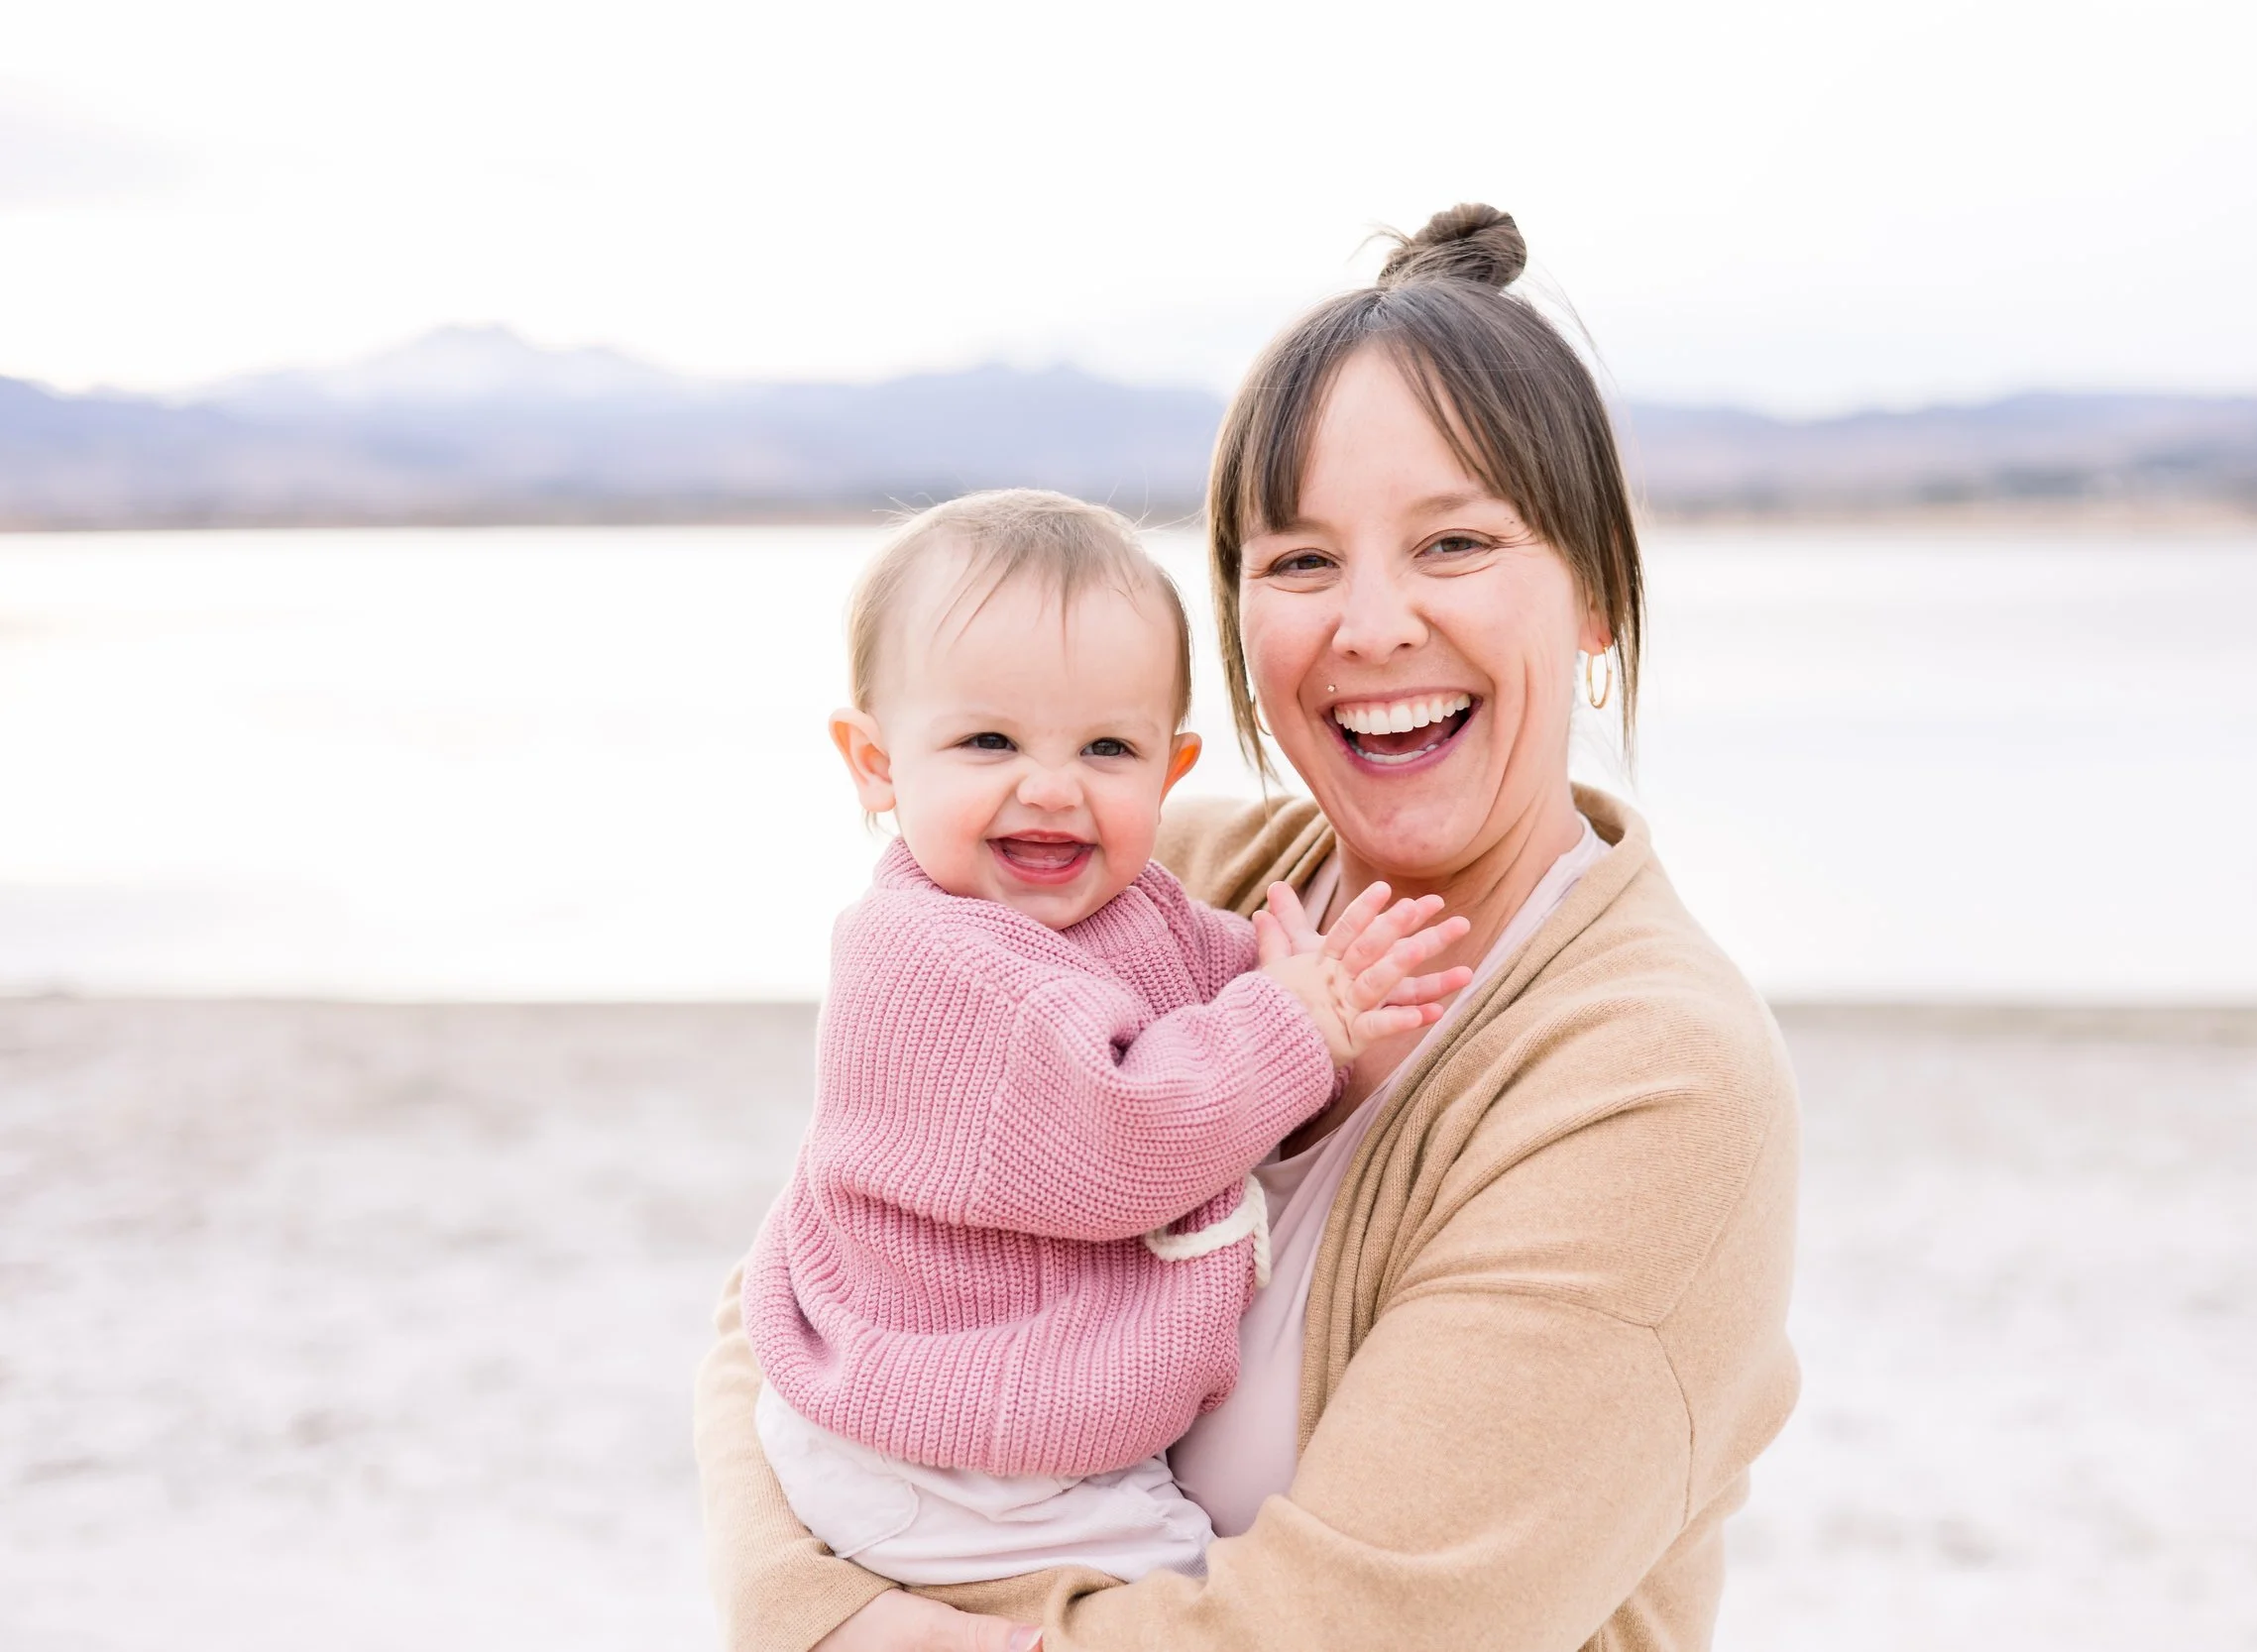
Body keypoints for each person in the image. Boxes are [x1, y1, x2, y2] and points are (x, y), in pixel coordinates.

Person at [695, 203, 1802, 1652]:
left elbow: (1356, 1627)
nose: (1373, 623)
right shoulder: (1164, 882)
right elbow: (790, 1291)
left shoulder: (1655, 1080)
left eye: (1455, 542)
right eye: (1298, 562)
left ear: (1595, 590)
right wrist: (820, 1612)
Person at [745, 489, 1472, 1588]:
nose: (1051, 786)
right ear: (876, 762)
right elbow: (1128, 1127)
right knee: (1173, 1586)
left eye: (1105, 747)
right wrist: (1297, 1014)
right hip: (946, 1453)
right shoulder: (927, 959)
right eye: (988, 739)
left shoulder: (1114, 902)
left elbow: (1190, 970)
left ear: (1168, 771)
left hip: (1004, 1442)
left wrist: (1278, 973)